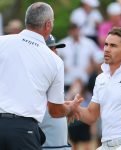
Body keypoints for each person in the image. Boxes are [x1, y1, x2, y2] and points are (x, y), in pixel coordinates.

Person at [0, 2, 83, 150]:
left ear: (27, 21)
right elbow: (55, 111)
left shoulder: (2, 42)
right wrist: (69, 109)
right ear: (48, 25)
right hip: (23, 131)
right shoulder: (55, 60)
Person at [68, 27, 121, 150]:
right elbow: (91, 115)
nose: (106, 49)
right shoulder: (100, 78)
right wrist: (73, 108)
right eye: (106, 44)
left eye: (113, 46)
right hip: (105, 145)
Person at [39, 35, 71, 150]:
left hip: (57, 144)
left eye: (55, 48)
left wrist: (67, 106)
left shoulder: (54, 71)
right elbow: (54, 110)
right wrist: (69, 109)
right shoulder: (38, 75)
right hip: (47, 145)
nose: (56, 51)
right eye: (52, 48)